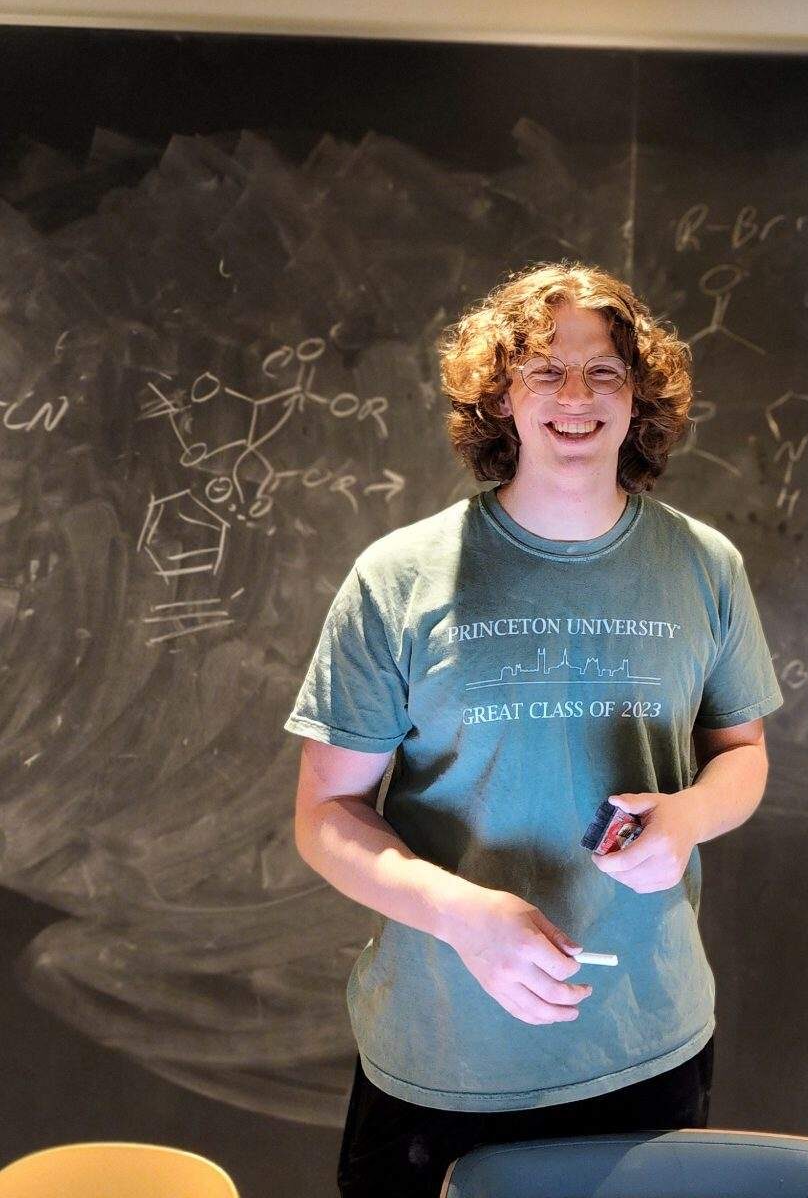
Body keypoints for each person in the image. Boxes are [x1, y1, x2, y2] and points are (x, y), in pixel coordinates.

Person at [284, 259, 782, 1198]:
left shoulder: (703, 565)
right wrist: (459, 914)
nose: (575, 396)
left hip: (645, 1044)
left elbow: (743, 756)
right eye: (544, 370)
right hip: (442, 1055)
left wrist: (687, 818)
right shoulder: (399, 579)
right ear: (500, 397)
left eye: (604, 371)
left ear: (639, 400)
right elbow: (327, 812)